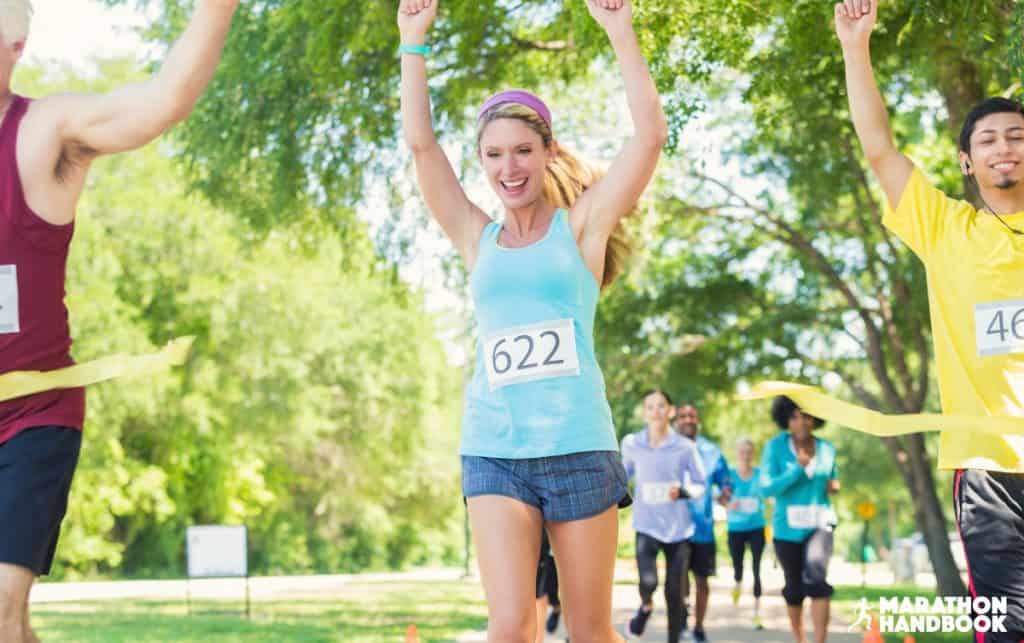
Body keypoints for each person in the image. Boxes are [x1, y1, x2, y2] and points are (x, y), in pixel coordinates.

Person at [397, 0, 667, 639]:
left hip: (578, 446)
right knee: (510, 626)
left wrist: (619, 31)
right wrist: (414, 41)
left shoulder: (582, 227)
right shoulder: (474, 234)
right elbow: (421, 143)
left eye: (522, 151)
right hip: (495, 448)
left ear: (547, 152)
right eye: (493, 155)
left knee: (589, 631)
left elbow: (649, 137)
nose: (508, 168)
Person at [0, 1, 239, 640]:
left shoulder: (41, 131)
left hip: (33, 412)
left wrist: (216, 11)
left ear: (14, 46)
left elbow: (159, 103)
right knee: (13, 625)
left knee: (0, 608)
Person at [836, 0, 1024, 638]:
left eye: (1017, 136)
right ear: (968, 161)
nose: (1005, 149)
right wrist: (856, 47)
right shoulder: (946, 229)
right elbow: (880, 150)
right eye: (988, 139)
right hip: (989, 468)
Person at [621, 389, 706, 642]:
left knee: (674, 593)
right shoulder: (631, 444)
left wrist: (682, 491)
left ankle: (674, 638)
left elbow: (701, 484)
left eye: (661, 406)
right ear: (644, 412)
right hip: (646, 525)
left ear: (670, 411)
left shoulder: (685, 446)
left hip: (678, 530)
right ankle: (645, 606)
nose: (656, 411)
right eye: (650, 406)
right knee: (648, 582)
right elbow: (622, 477)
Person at [761, 396, 839, 643]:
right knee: (794, 588)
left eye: (806, 415)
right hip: (787, 528)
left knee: (816, 579)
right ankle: (800, 639)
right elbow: (766, 489)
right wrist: (796, 468)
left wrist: (834, 485)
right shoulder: (775, 448)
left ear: (815, 418)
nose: (802, 422)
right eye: (795, 416)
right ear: (786, 419)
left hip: (820, 523)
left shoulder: (827, 449)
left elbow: (831, 479)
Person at [673, 404, 732, 643]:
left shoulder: (712, 451)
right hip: (674, 527)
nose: (688, 419)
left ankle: (698, 627)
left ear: (698, 421)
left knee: (702, 580)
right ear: (676, 421)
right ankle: (682, 612)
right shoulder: (667, 448)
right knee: (677, 579)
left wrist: (726, 491)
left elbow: (725, 481)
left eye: (692, 416)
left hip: (703, 528)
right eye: (683, 416)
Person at [725, 438, 766, 631]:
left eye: (749, 451)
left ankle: (756, 614)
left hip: (757, 526)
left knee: (757, 569)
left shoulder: (760, 474)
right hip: (736, 528)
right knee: (738, 566)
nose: (745, 454)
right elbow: (719, 494)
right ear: (737, 452)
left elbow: (768, 492)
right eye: (742, 451)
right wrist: (727, 504)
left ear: (753, 454)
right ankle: (737, 582)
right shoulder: (730, 476)